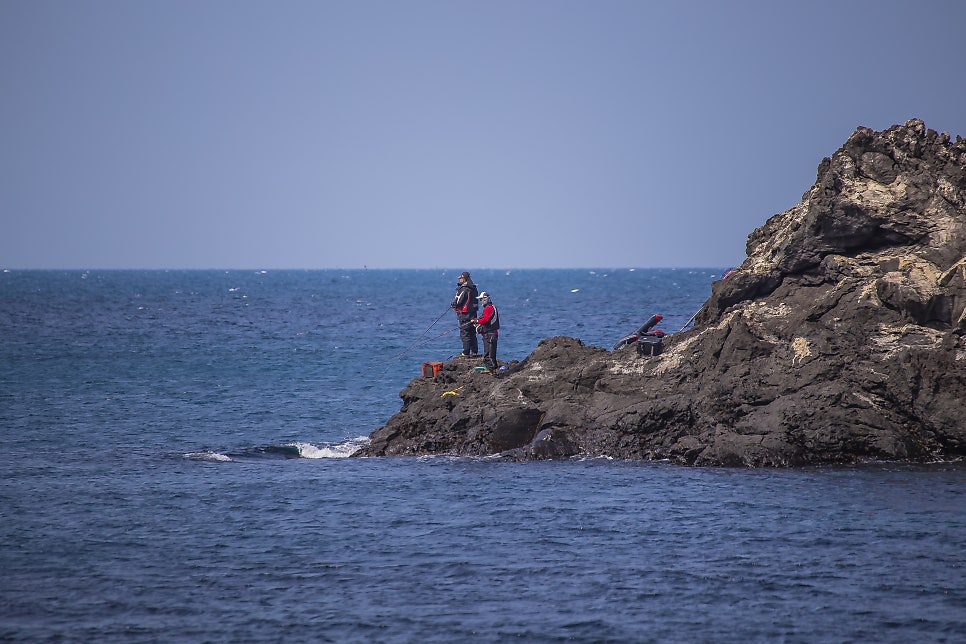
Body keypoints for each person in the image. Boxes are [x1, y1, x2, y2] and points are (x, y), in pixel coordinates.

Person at [451, 271, 479, 356]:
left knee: (465, 333)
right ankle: (474, 351)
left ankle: (466, 351)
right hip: (473, 314)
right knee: (472, 333)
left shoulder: (464, 289)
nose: (460, 280)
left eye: (461, 278)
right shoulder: (474, 288)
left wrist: (454, 304)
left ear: (464, 279)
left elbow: (459, 301)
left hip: (464, 315)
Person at [473, 291, 499, 373]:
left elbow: (485, 319)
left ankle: (490, 369)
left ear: (485, 299)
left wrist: (477, 321)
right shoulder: (492, 307)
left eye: (481, 299)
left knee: (488, 354)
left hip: (490, 334)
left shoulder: (488, 308)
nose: (480, 301)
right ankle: (492, 369)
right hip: (492, 333)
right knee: (491, 352)